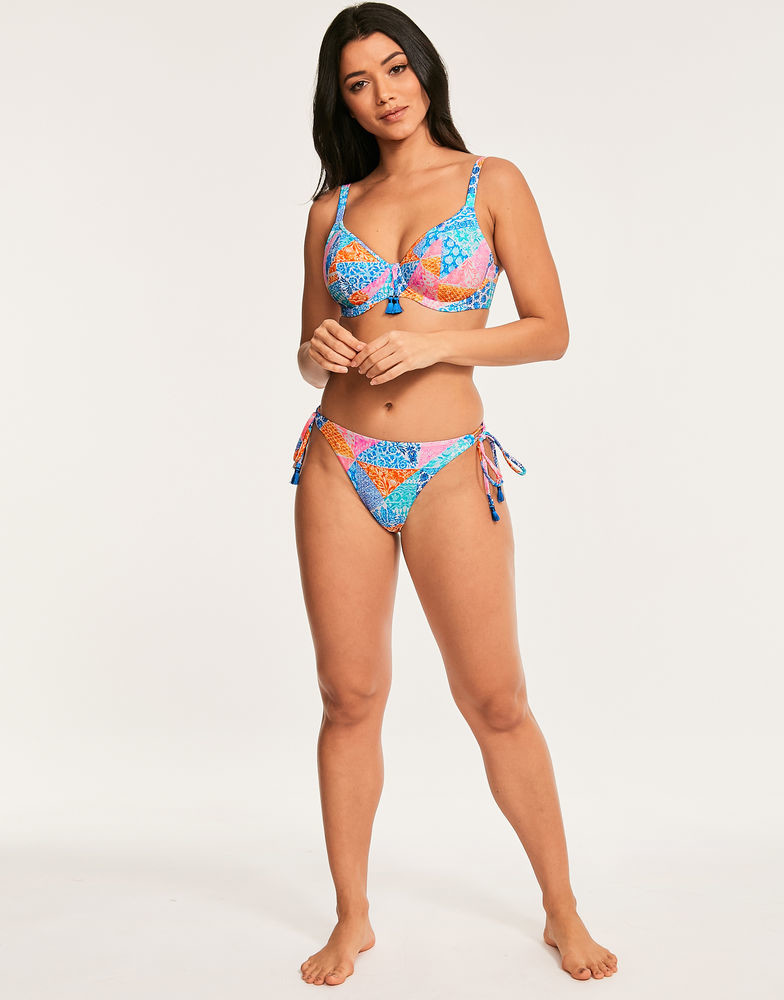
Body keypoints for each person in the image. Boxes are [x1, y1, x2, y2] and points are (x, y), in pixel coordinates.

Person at [291, 1, 618, 987]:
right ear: (341, 101)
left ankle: (562, 908)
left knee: (496, 699)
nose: (383, 93)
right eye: (358, 82)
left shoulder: (491, 182)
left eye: (395, 68)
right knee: (348, 697)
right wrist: (317, 350)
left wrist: (434, 339)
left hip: (447, 466)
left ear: (425, 71)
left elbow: (550, 329)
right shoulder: (330, 210)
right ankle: (353, 917)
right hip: (338, 459)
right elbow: (307, 353)